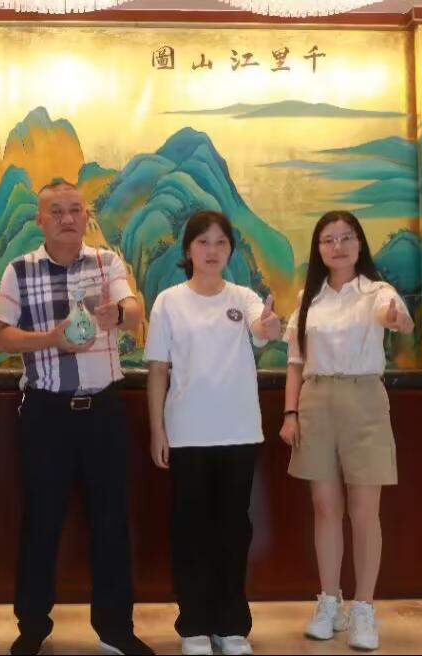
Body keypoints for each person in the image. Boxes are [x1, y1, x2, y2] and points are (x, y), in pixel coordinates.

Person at [0, 180, 153, 656]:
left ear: (86, 216)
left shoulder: (107, 262)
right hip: (47, 414)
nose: (67, 218)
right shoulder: (19, 270)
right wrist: (51, 339)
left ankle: (115, 629)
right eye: (56, 211)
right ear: (40, 220)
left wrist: (118, 313)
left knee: (111, 521)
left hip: (103, 411)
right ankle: (32, 627)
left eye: (75, 210)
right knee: (41, 521)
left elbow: (134, 310)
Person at [146, 210, 280, 656]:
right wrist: (157, 430)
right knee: (191, 532)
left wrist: (270, 326)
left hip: (238, 432)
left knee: (233, 531)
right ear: (188, 249)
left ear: (230, 250)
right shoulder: (169, 302)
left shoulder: (244, 297)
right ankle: (194, 625)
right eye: (203, 242)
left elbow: (263, 327)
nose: (212, 250)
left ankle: (231, 624)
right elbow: (158, 370)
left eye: (221, 242)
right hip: (187, 434)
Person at [279, 210, 414, 652]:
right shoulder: (308, 299)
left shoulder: (377, 291)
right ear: (318, 248)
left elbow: (399, 319)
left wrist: (396, 318)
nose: (338, 246)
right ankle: (329, 601)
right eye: (328, 240)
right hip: (315, 400)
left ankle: (363, 608)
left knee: (364, 510)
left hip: (364, 399)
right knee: (324, 507)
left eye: (347, 238)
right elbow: (295, 363)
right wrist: (290, 414)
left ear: (360, 244)